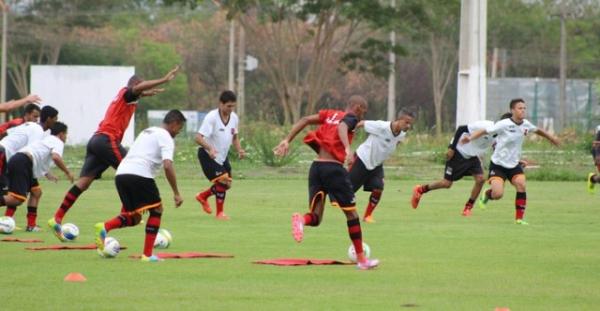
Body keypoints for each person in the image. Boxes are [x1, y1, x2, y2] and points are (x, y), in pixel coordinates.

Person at [48, 65, 180, 241]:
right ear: (135, 86)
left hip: (96, 141)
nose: (141, 91)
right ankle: (127, 215)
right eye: (140, 88)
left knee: (83, 183)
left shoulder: (126, 99)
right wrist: (163, 79)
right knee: (131, 170)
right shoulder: (127, 93)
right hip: (107, 140)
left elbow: (137, 93)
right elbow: (136, 89)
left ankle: (56, 218)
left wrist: (144, 93)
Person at [273, 95, 379, 270]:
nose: (362, 116)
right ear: (358, 107)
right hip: (333, 169)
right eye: (363, 112)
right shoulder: (350, 117)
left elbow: (306, 119)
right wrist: (346, 148)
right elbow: (343, 127)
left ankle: (301, 220)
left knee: (315, 218)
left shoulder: (330, 114)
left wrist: (286, 140)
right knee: (352, 215)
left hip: (316, 168)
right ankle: (362, 260)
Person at [94, 110, 186, 262]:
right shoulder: (166, 137)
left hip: (121, 174)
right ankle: (148, 255)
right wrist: (176, 192)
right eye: (180, 128)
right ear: (174, 123)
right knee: (157, 210)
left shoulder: (147, 132)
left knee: (135, 218)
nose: (179, 132)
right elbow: (168, 166)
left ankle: (104, 227)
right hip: (139, 175)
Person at [460, 99, 560, 225]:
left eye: (524, 108)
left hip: (514, 165)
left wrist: (551, 138)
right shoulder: (504, 124)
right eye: (520, 108)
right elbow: (484, 131)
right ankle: (487, 194)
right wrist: (470, 138)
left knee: (521, 185)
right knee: (498, 194)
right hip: (498, 165)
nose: (523, 110)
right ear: (512, 110)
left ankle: (519, 219)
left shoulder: (526, 124)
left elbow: (538, 130)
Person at [411, 119, 498, 216]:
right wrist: (451, 148)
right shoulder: (484, 125)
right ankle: (421, 189)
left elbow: (497, 150)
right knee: (446, 183)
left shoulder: (501, 135)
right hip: (458, 152)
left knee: (480, 179)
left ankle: (468, 207)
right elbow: (461, 129)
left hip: (472, 157)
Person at [0, 122, 73, 229]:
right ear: (61, 134)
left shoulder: (47, 140)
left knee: (36, 192)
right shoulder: (58, 141)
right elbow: (56, 157)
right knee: (17, 199)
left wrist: (48, 174)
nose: (66, 137)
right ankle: (8, 221)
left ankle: (31, 225)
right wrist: (67, 172)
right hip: (23, 163)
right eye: (66, 134)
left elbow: (39, 157)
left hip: (21, 162)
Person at [349, 110, 415, 223]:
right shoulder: (382, 126)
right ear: (399, 119)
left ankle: (367, 216)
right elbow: (361, 123)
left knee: (378, 188)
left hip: (377, 164)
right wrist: (348, 141)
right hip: (362, 159)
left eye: (410, 124)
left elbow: (395, 142)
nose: (408, 126)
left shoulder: (402, 133)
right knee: (346, 191)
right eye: (406, 122)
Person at [194, 90, 245, 220]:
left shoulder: (234, 118)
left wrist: (239, 150)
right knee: (224, 180)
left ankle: (203, 196)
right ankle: (220, 213)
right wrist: (210, 148)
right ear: (221, 104)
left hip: (222, 157)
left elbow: (235, 137)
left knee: (227, 185)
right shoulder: (211, 117)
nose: (231, 109)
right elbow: (198, 138)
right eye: (228, 106)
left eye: (233, 106)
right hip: (207, 155)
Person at [587, 125, 600, 193]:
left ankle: (593, 178)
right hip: (598, 152)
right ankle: (593, 178)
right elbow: (595, 143)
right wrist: (598, 156)